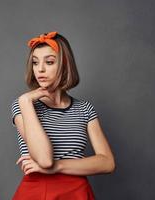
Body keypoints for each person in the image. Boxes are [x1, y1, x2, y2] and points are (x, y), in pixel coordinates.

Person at [10, 31, 116, 200]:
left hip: (77, 192)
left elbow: (107, 163)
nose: (40, 69)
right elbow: (44, 160)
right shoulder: (24, 105)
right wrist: (25, 101)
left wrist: (57, 166)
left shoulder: (85, 109)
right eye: (35, 63)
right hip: (38, 192)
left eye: (49, 62)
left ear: (65, 65)